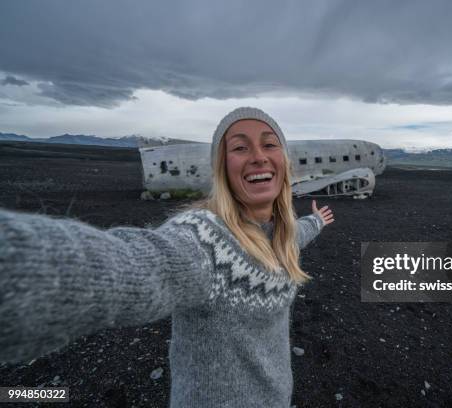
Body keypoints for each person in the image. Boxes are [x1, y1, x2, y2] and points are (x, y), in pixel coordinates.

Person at [0, 107, 334, 408]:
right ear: (222, 168)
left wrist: (316, 221)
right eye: (240, 147)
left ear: (284, 160)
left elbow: (292, 239)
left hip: (277, 396)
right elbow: (137, 265)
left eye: (269, 144)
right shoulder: (204, 240)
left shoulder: (280, 234)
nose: (259, 156)